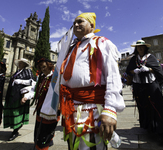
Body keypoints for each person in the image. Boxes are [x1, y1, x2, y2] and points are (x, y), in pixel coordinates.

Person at [42, 12, 125, 150]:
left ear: (92, 25)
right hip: (70, 108)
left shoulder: (102, 43)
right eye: (74, 22)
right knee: (73, 145)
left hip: (92, 108)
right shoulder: (70, 48)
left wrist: (110, 110)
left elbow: (113, 76)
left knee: (91, 144)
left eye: (80, 21)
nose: (75, 24)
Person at [126, 40, 163, 136]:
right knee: (143, 106)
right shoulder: (134, 59)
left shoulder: (151, 57)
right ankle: (148, 128)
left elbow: (158, 69)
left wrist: (150, 69)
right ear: (136, 48)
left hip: (151, 84)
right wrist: (134, 71)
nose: (140, 48)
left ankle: (159, 129)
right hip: (139, 86)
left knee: (156, 105)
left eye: (142, 46)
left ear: (145, 47)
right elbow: (128, 70)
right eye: (138, 47)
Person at [22, 58, 60, 149]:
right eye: (41, 67)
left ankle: (43, 145)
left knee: (46, 131)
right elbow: (35, 90)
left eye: (44, 66)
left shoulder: (55, 77)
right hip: (40, 108)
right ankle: (39, 144)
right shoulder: (41, 78)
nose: (43, 69)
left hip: (51, 109)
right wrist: (26, 97)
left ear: (49, 65)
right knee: (38, 130)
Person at [3, 58, 34, 141]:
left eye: (21, 63)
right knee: (12, 112)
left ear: (25, 64)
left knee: (17, 112)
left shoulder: (28, 71)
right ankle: (14, 128)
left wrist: (20, 81)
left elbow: (31, 82)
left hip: (20, 96)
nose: (19, 64)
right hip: (12, 94)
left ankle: (15, 131)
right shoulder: (16, 72)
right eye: (19, 63)